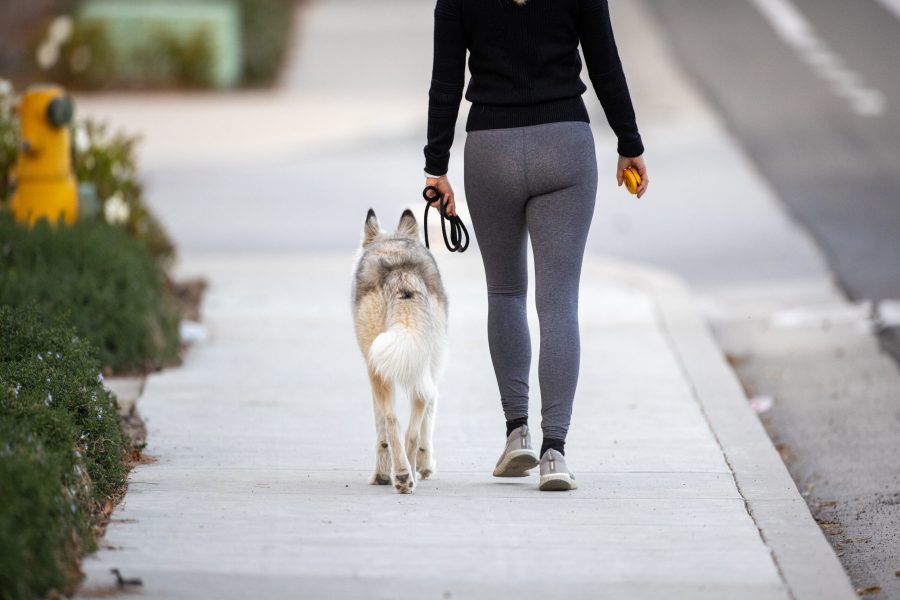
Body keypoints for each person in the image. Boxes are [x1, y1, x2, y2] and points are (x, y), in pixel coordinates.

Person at [423, 0, 648, 491]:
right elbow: (605, 61)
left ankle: (516, 433)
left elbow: (446, 81)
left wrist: (435, 166)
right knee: (558, 303)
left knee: (505, 293)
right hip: (564, 144)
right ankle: (555, 452)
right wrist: (629, 142)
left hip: (489, 149)